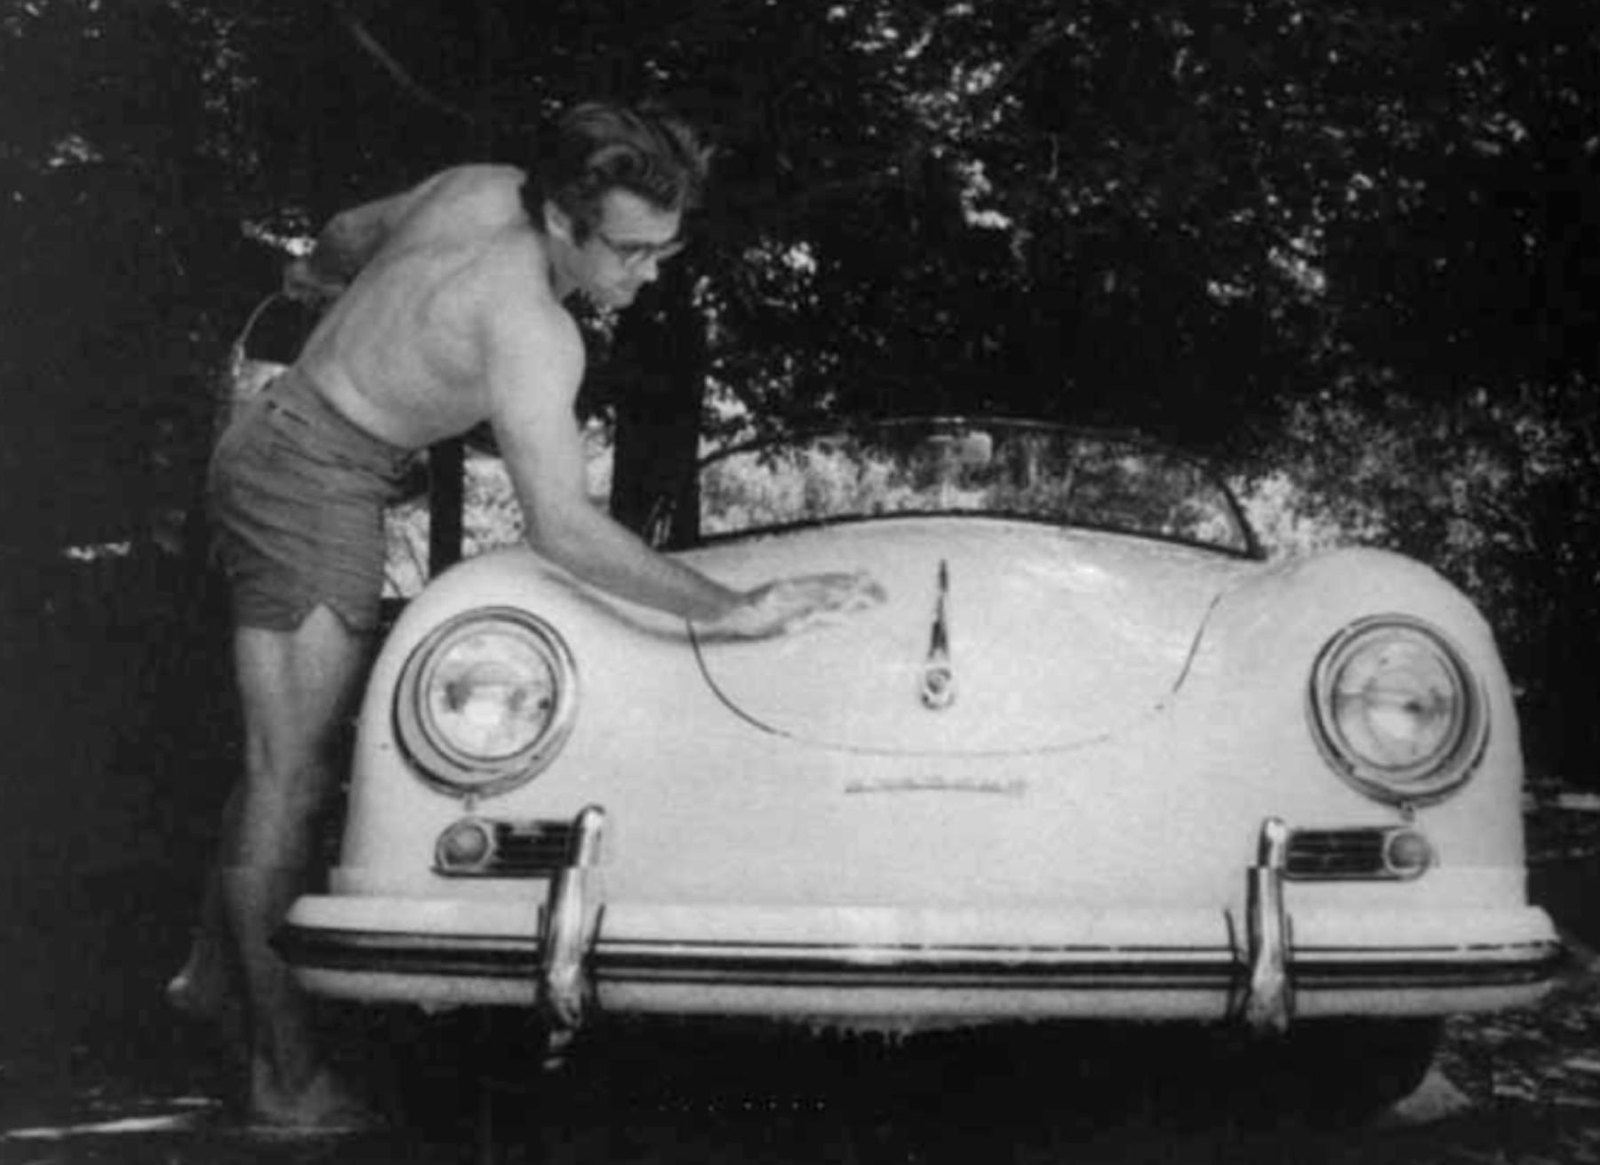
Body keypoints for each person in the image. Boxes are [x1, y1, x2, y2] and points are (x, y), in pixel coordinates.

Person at [167, 99, 884, 1133]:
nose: (649, 274)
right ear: (559, 220)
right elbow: (563, 528)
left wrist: (320, 289)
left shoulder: (474, 187)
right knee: (293, 774)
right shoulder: (536, 332)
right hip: (311, 483)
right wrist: (728, 609)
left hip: (278, 435)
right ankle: (285, 1078)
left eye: (666, 250)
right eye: (629, 251)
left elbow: (341, 237)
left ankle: (211, 973)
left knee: (277, 752)